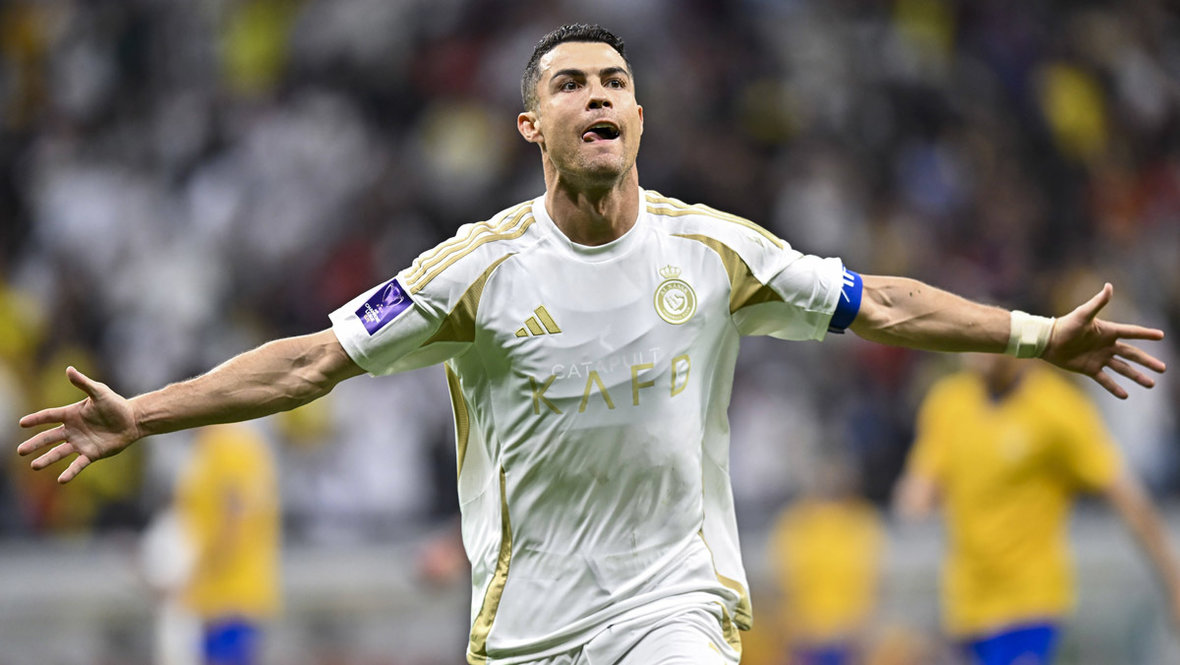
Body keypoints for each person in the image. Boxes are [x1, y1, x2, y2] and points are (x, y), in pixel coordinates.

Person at [16, 23, 1168, 665]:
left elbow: (887, 305)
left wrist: (1033, 335)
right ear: (533, 125)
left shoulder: (715, 251)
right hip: (527, 629)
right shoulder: (473, 272)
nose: (597, 94)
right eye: (570, 84)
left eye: (615, 81)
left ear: (639, 118)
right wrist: (144, 411)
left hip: (674, 608)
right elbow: (310, 359)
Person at [892, 353, 1180, 665]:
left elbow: (1128, 498)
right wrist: (914, 499)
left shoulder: (1058, 408)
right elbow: (920, 484)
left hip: (1028, 605)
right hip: (966, 607)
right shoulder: (948, 403)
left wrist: (1173, 581)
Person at [142, 424, 281, 665]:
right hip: (208, 599)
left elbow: (235, 523)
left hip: (231, 597)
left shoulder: (231, 449)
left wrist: (192, 577)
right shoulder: (206, 450)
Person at [766, 455, 885, 665]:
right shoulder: (795, 523)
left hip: (847, 637)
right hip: (804, 637)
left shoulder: (861, 522)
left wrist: (857, 628)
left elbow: (869, 581)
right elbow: (784, 582)